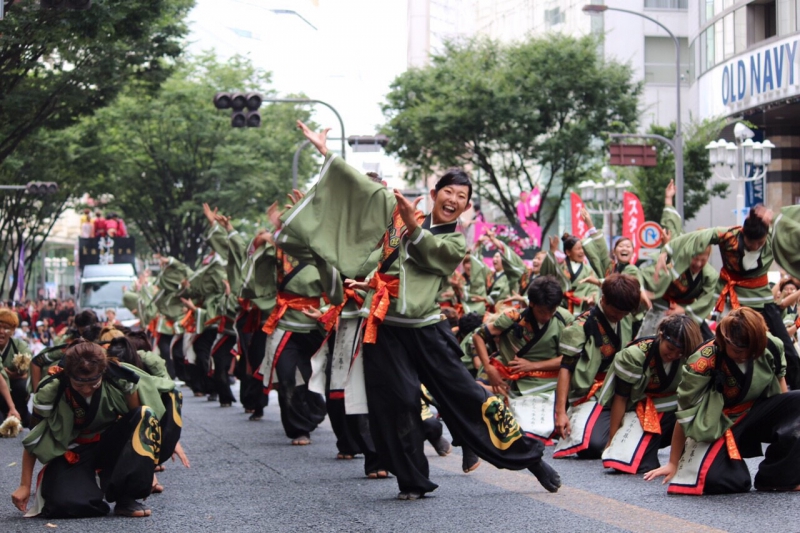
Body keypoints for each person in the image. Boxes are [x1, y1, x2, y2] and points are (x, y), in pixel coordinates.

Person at [273, 120, 562, 500]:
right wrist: (326, 152)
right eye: (448, 191)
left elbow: (433, 255)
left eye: (461, 196)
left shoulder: (454, 242)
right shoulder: (398, 220)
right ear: (434, 193)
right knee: (396, 402)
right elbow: (364, 192)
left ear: (466, 206)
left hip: (427, 329)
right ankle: (411, 479)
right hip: (386, 327)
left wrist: (414, 226)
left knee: (469, 396)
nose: (453, 199)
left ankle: (530, 458)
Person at [12, 340, 186, 518]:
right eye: (79, 385)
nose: (87, 390)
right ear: (67, 375)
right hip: (74, 451)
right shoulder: (51, 390)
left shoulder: (121, 380)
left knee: (146, 413)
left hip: (110, 445)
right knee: (64, 505)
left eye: (94, 384)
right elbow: (36, 437)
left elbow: (138, 424)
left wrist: (149, 462)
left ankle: (126, 497)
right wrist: (24, 485)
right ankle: (90, 486)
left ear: (103, 372)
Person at [644, 308, 800, 494]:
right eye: (737, 351)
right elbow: (685, 412)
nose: (744, 356)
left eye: (750, 352)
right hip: (719, 423)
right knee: (727, 481)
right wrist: (673, 462)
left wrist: (786, 424)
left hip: (755, 414)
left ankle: (776, 477)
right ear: (724, 341)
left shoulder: (771, 345)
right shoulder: (703, 360)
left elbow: (782, 395)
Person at [657, 205, 800, 389]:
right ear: (743, 234)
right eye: (751, 243)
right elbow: (697, 237)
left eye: (760, 242)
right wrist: (666, 251)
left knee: (786, 348)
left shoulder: (772, 236)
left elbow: (792, 224)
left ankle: (796, 391)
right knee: (724, 346)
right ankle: (716, 387)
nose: (755, 246)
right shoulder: (728, 235)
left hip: (761, 299)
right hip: (731, 302)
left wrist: (775, 216)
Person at [473, 276, 572, 445]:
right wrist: (489, 368)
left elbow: (569, 358)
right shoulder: (513, 317)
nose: (547, 316)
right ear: (531, 303)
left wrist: (532, 366)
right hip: (513, 379)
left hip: (549, 381)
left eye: (552, 311)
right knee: (474, 392)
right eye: (542, 312)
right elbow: (478, 336)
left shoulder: (565, 319)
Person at [599, 315, 703, 474]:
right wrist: (612, 440)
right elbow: (621, 398)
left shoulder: (690, 358)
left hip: (672, 412)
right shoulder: (635, 356)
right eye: (670, 348)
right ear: (661, 335)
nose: (673, 355)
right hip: (637, 410)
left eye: (680, 352)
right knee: (631, 462)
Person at [552, 273, 641, 459]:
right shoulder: (581, 326)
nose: (620, 317)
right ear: (604, 299)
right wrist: (560, 412)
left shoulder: (625, 318)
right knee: (592, 445)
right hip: (590, 393)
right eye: (616, 313)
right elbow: (565, 369)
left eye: (624, 314)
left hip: (620, 388)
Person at [540, 233, 599, 316]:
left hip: (580, 310)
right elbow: (545, 274)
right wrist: (552, 251)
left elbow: (593, 288)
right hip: (560, 308)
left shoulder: (588, 270)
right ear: (568, 252)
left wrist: (591, 298)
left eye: (582, 248)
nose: (582, 251)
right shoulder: (559, 267)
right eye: (578, 249)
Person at [0, 309, 33, 427]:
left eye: (6, 328)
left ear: (13, 330)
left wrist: (20, 374)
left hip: (15, 391)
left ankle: (21, 414)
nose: (1, 331)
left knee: (22, 385)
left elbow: (30, 369)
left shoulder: (19, 346)